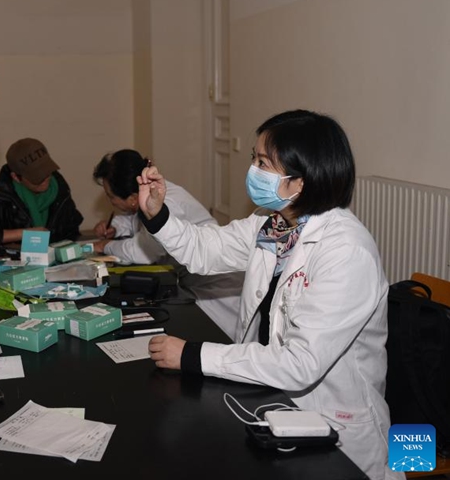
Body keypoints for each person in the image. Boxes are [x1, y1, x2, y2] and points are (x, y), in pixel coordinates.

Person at [138, 110, 399, 480]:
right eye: (254, 159)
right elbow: (206, 249)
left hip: (335, 430)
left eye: (263, 162)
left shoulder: (346, 252)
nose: (253, 171)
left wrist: (194, 355)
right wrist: (157, 214)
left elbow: (299, 364)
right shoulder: (275, 224)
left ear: (301, 182)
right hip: (274, 403)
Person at [92, 149, 243, 336]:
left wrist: (104, 246)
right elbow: (135, 219)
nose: (110, 201)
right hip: (191, 279)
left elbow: (141, 251)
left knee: (219, 340)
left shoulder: (166, 204)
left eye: (110, 196)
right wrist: (116, 227)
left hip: (216, 287)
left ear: (132, 199)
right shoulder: (149, 191)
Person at [0, 137, 83, 248]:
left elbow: (71, 229)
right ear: (16, 177)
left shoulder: (59, 187)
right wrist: (24, 234)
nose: (45, 179)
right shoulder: (0, 194)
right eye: (37, 177)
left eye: (47, 171)